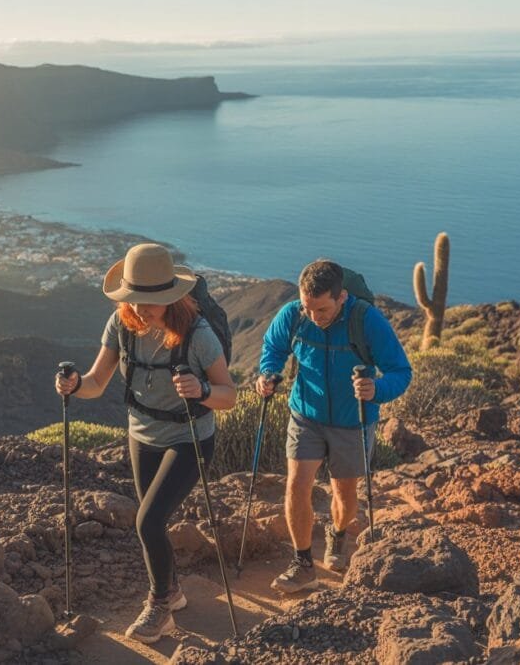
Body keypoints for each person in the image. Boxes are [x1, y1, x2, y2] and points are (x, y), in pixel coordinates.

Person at [55, 243, 237, 643]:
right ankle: (172, 593)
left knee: (148, 521)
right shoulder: (120, 325)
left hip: (190, 438)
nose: (139, 309)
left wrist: (202, 390)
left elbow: (229, 395)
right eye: (134, 299)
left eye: (149, 302)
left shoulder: (198, 335)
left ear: (170, 299)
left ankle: (159, 606)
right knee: (152, 523)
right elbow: (96, 383)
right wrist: (73, 385)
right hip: (141, 436)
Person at [256, 259, 411, 593]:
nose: (313, 316)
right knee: (297, 484)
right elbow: (273, 348)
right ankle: (302, 563)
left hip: (352, 421)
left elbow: (401, 371)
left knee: (345, 494)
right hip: (305, 415)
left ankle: (338, 533)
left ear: (341, 298)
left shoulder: (367, 320)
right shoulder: (293, 314)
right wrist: (268, 374)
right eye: (308, 307)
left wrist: (377, 390)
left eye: (322, 309)